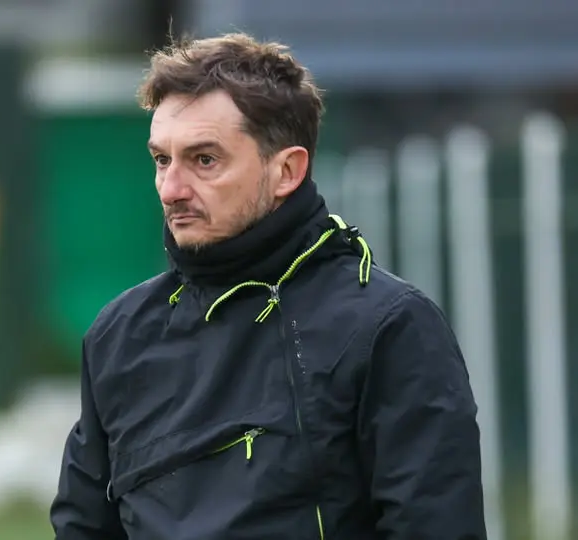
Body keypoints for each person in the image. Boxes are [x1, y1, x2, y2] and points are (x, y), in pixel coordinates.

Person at [50, 32, 487, 540]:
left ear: (286, 171)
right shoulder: (120, 335)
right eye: (162, 160)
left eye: (204, 160)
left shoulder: (388, 328)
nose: (171, 189)